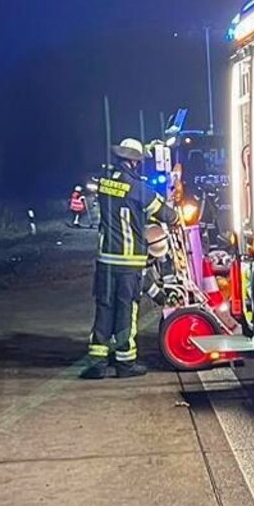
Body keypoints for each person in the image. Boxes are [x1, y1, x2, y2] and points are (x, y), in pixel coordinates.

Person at [81, 139, 176, 379]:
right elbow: (165, 213)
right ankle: (125, 363)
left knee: (104, 308)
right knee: (125, 311)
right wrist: (175, 216)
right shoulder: (137, 187)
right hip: (128, 259)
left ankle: (97, 362)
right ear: (134, 161)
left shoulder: (104, 183)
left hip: (106, 260)